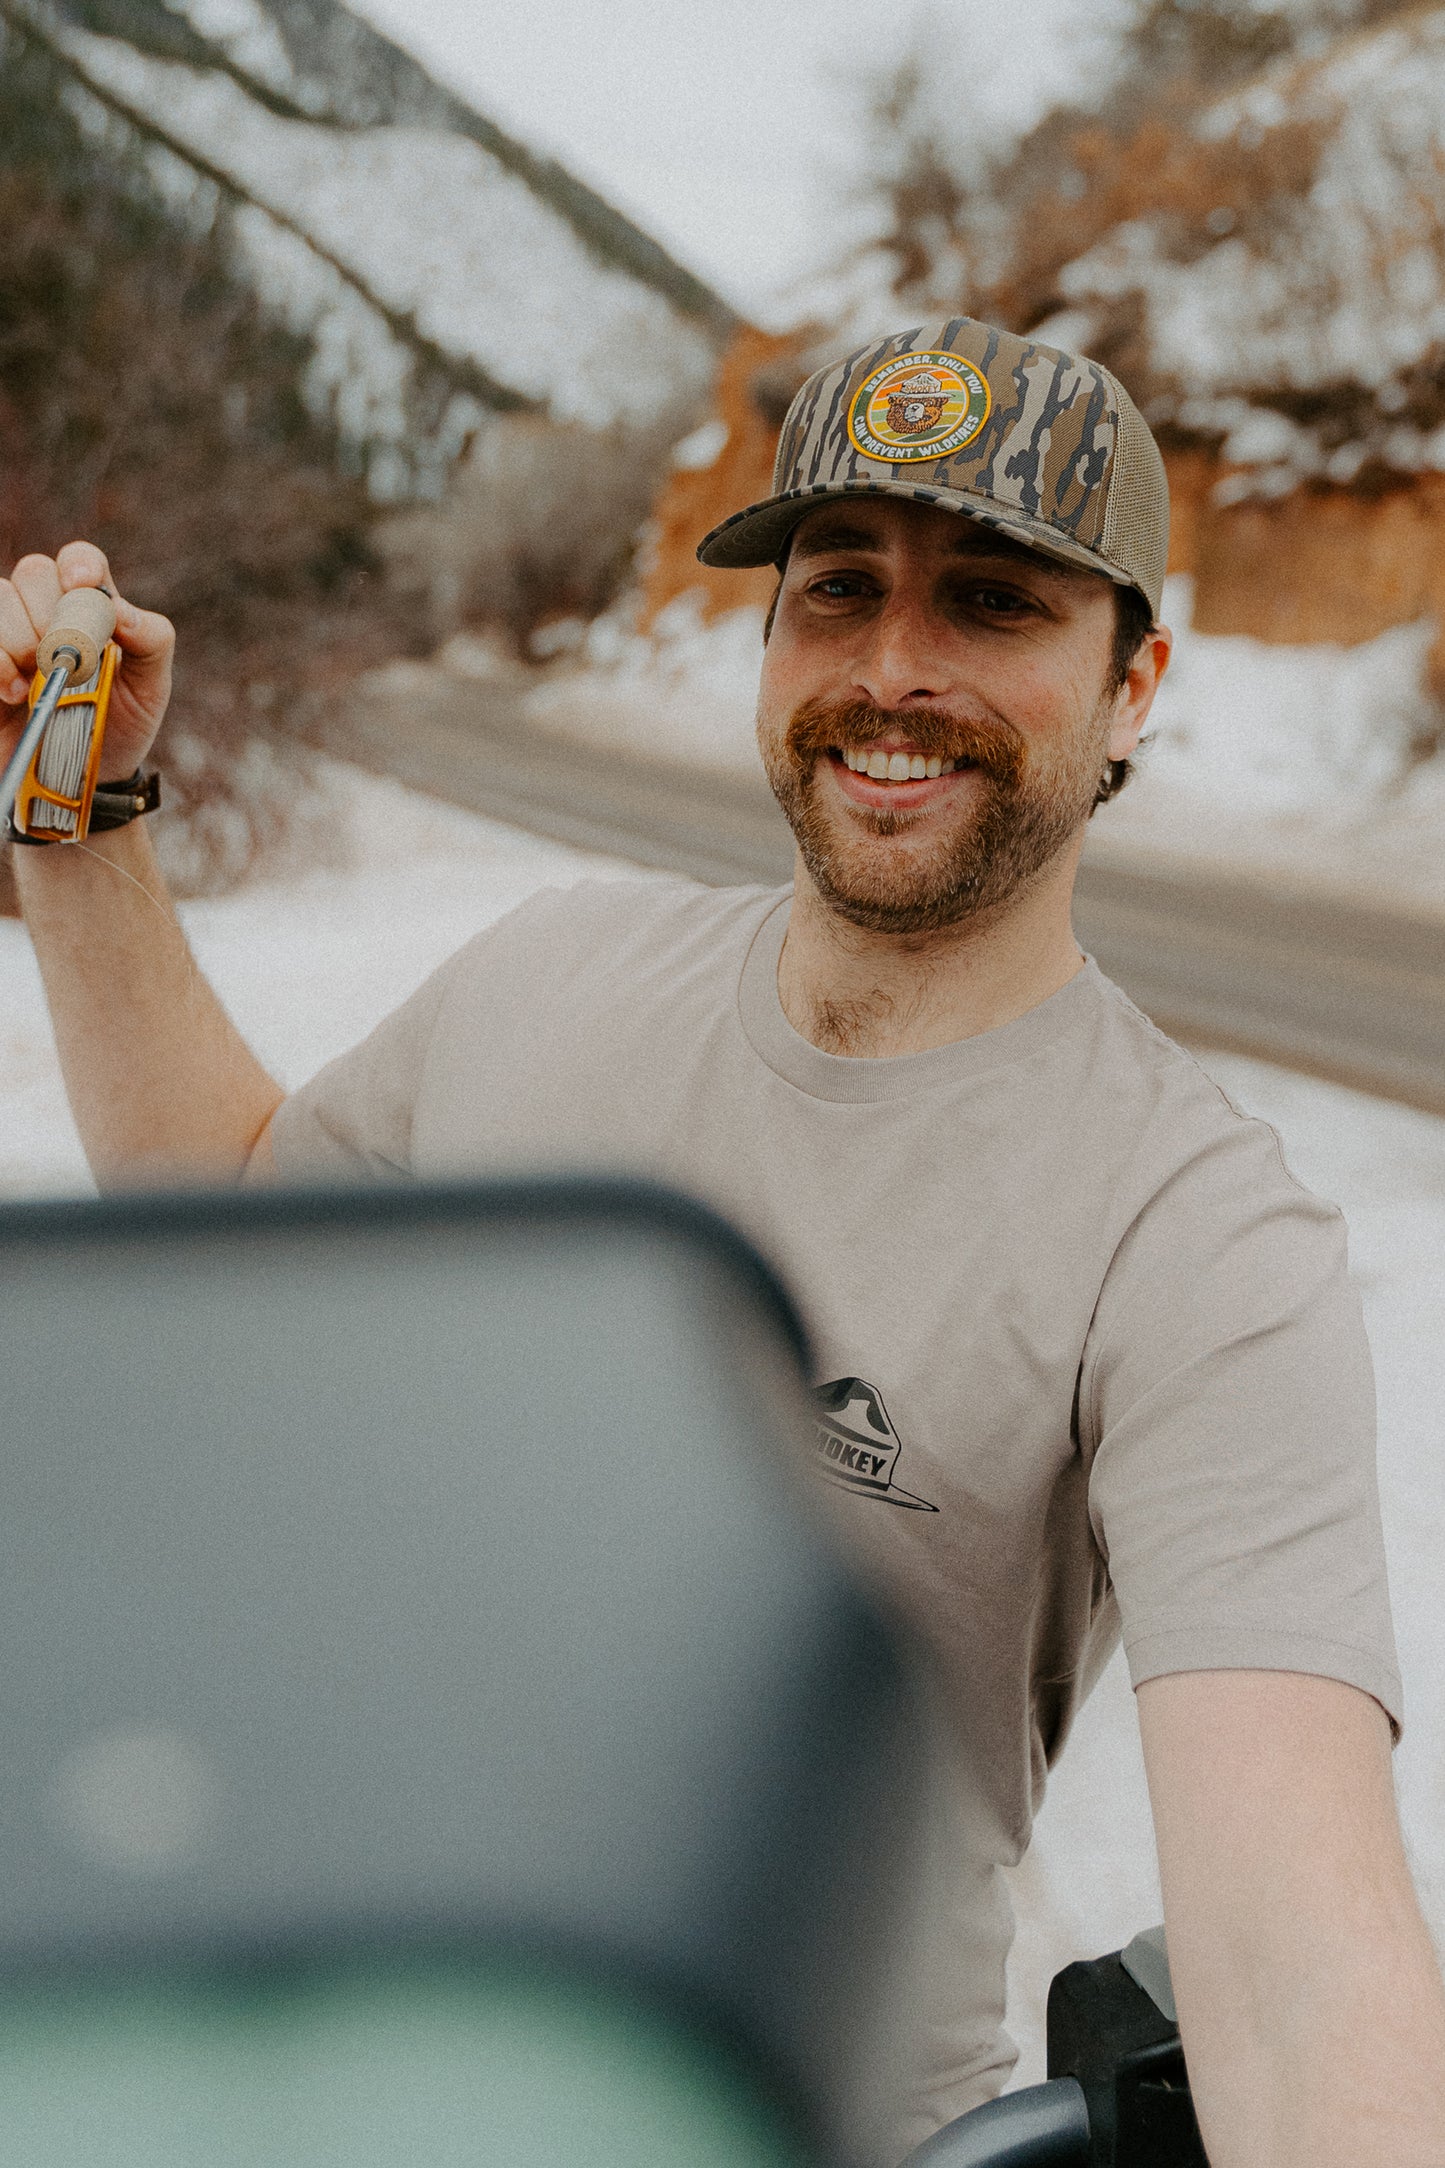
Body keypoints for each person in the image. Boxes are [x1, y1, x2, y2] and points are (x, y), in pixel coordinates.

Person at [5, 317, 1445, 2167]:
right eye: (835, 592)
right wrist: (76, 814)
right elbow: (245, 1238)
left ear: (1135, 681)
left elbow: (1290, 1944)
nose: (892, 670)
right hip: (342, 2055)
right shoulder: (555, 971)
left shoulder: (1198, 1232)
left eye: (993, 605)